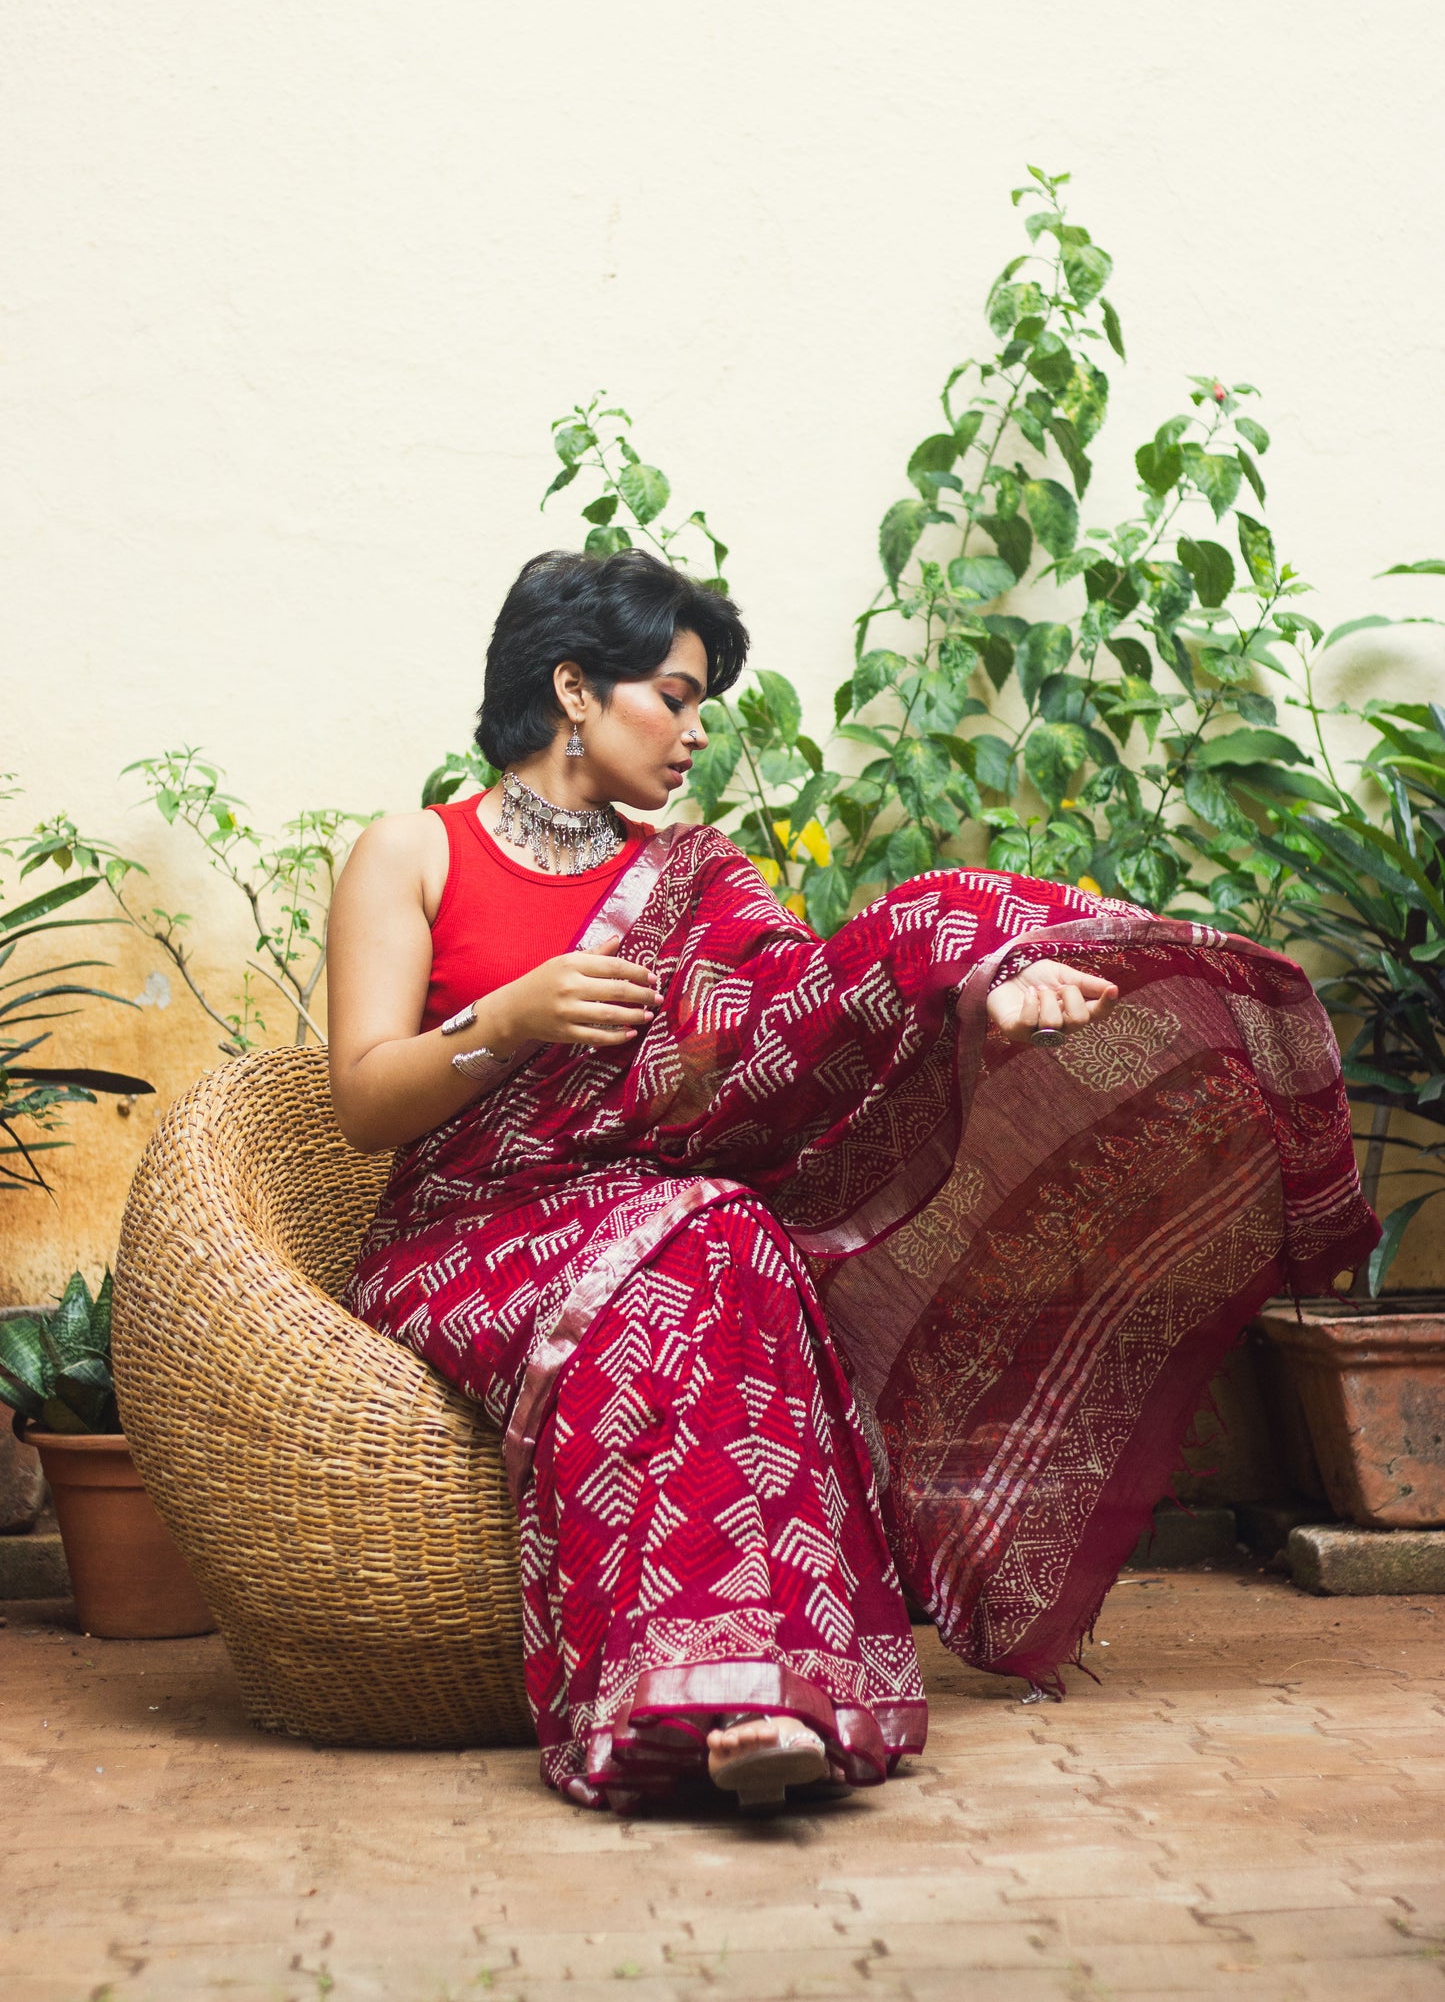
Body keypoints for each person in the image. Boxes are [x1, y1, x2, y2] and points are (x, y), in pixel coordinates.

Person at [328, 548, 1377, 1815]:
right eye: (674, 694)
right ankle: (690, 1690)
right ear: (571, 688)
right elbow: (362, 1102)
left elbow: (800, 1018)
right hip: (461, 1233)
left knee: (728, 1236)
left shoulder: (691, 881)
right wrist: (511, 1014)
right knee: (692, 1239)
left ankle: (762, 1698)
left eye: (701, 702)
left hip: (642, 1214)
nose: (695, 733)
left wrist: (978, 990)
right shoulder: (413, 852)